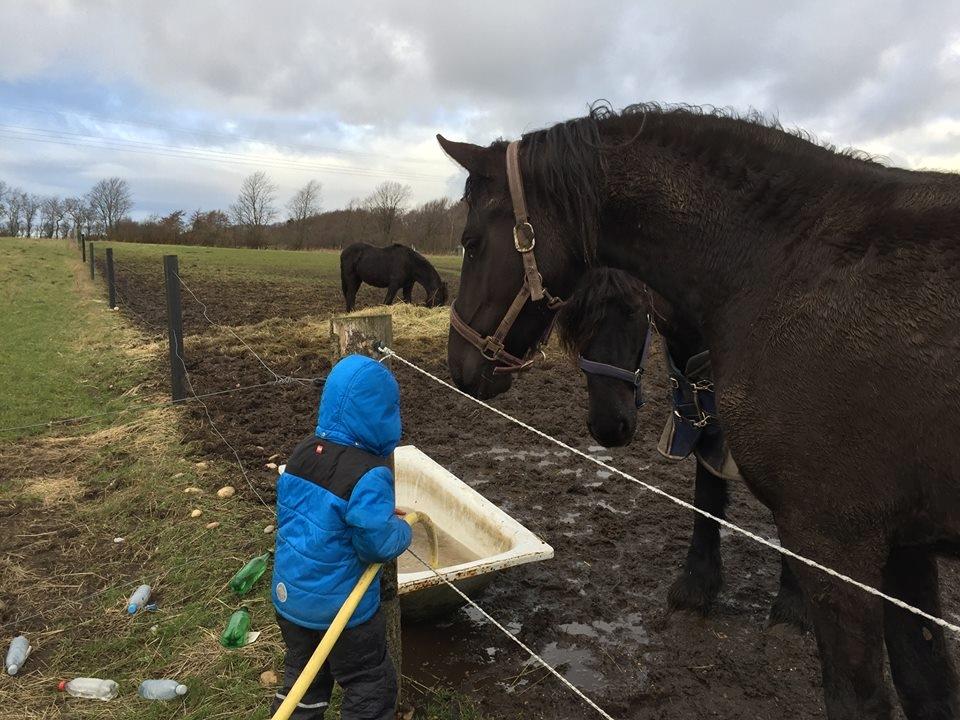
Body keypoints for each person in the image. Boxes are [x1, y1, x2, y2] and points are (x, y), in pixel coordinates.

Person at [271, 354, 412, 720]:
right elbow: (375, 543)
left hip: (291, 601)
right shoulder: (371, 474)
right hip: (344, 615)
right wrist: (400, 529)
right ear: (383, 414)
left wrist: (370, 517)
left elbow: (310, 513)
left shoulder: (301, 453)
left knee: (305, 681)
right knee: (369, 684)